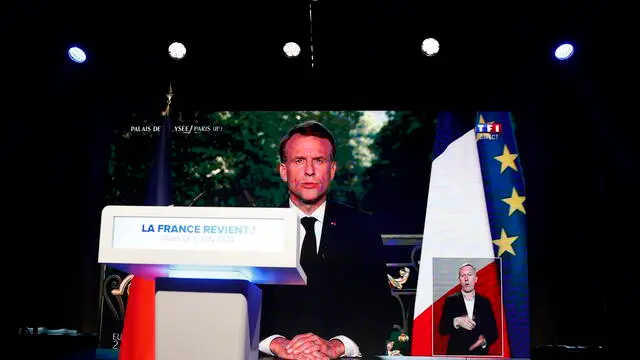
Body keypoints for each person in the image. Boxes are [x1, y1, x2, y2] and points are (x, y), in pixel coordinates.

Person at [258, 120, 393, 359]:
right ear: (283, 170)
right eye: (299, 161)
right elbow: (245, 307)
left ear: (331, 170)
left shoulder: (362, 227)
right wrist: (277, 344)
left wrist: (337, 346)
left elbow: (379, 309)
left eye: (318, 161)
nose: (309, 170)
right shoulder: (261, 229)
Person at [438, 263, 499, 356]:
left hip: (479, 355)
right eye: (463, 276)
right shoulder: (450, 300)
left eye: (470, 275)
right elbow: (442, 329)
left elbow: (493, 332)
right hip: (456, 354)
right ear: (459, 280)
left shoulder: (484, 302)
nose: (466, 279)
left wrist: (483, 341)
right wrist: (456, 321)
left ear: (476, 279)